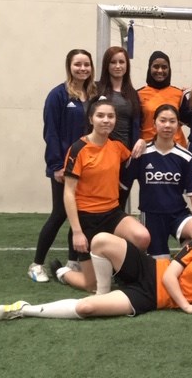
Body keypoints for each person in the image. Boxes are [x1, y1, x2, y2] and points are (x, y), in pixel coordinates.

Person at [0, 216, 192, 321]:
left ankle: (24, 309)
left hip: (148, 299)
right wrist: (187, 306)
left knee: (86, 308)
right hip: (149, 269)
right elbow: (170, 276)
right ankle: (102, 291)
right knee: (100, 240)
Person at [52, 98, 150, 292]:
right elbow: (69, 192)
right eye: (101, 116)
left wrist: (143, 142)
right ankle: (63, 273)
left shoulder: (117, 147)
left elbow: (134, 159)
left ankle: (122, 273)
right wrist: (77, 232)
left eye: (110, 116)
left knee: (142, 237)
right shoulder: (78, 149)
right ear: (91, 119)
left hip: (112, 213)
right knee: (92, 285)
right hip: (87, 219)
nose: (106, 120)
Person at [28, 49, 98, 283]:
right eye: (78, 64)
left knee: (79, 213)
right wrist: (57, 165)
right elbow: (51, 133)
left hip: (87, 166)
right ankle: (36, 264)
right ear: (69, 66)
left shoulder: (94, 94)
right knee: (60, 213)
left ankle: (73, 261)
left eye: (86, 64)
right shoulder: (58, 95)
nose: (82, 69)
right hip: (63, 166)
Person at [121, 104, 192, 258]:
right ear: (154, 124)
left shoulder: (186, 157)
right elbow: (123, 186)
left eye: (172, 121)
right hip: (152, 216)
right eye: (163, 121)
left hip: (178, 214)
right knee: (160, 266)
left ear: (178, 125)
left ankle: (184, 259)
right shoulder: (141, 153)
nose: (167, 125)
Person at [96, 46, 145, 156]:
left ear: (127, 65)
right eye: (113, 62)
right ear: (106, 65)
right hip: (100, 154)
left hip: (126, 154)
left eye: (121, 62)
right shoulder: (96, 90)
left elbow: (138, 126)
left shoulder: (133, 94)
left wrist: (141, 141)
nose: (118, 66)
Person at [138, 51, 187, 148]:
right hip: (148, 147)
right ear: (149, 68)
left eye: (164, 67)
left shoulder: (180, 94)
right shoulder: (138, 94)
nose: (160, 70)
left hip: (176, 147)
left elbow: (185, 119)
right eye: (156, 66)